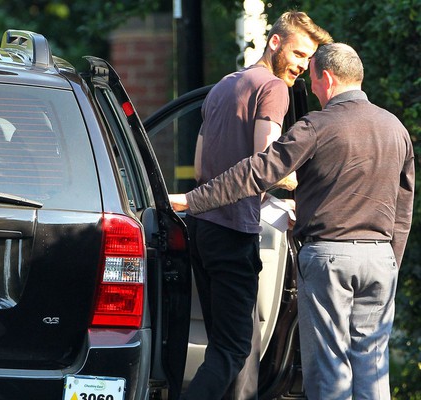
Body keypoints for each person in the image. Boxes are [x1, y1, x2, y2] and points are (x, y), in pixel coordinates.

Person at [170, 43, 415, 400]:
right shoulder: (395, 128)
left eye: (312, 79)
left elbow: (256, 172)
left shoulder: (318, 126)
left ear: (327, 78)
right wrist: (392, 259)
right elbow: (404, 205)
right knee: (372, 367)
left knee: (330, 369)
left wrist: (193, 200)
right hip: (380, 259)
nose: (310, 88)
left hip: (329, 257)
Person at [179, 10, 332, 400]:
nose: (301, 65)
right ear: (275, 42)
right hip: (233, 230)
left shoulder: (223, 86)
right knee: (233, 351)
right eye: (298, 54)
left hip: (202, 227)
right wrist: (306, 185)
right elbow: (268, 165)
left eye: (308, 59)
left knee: (226, 345)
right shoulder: (273, 89)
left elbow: (199, 165)